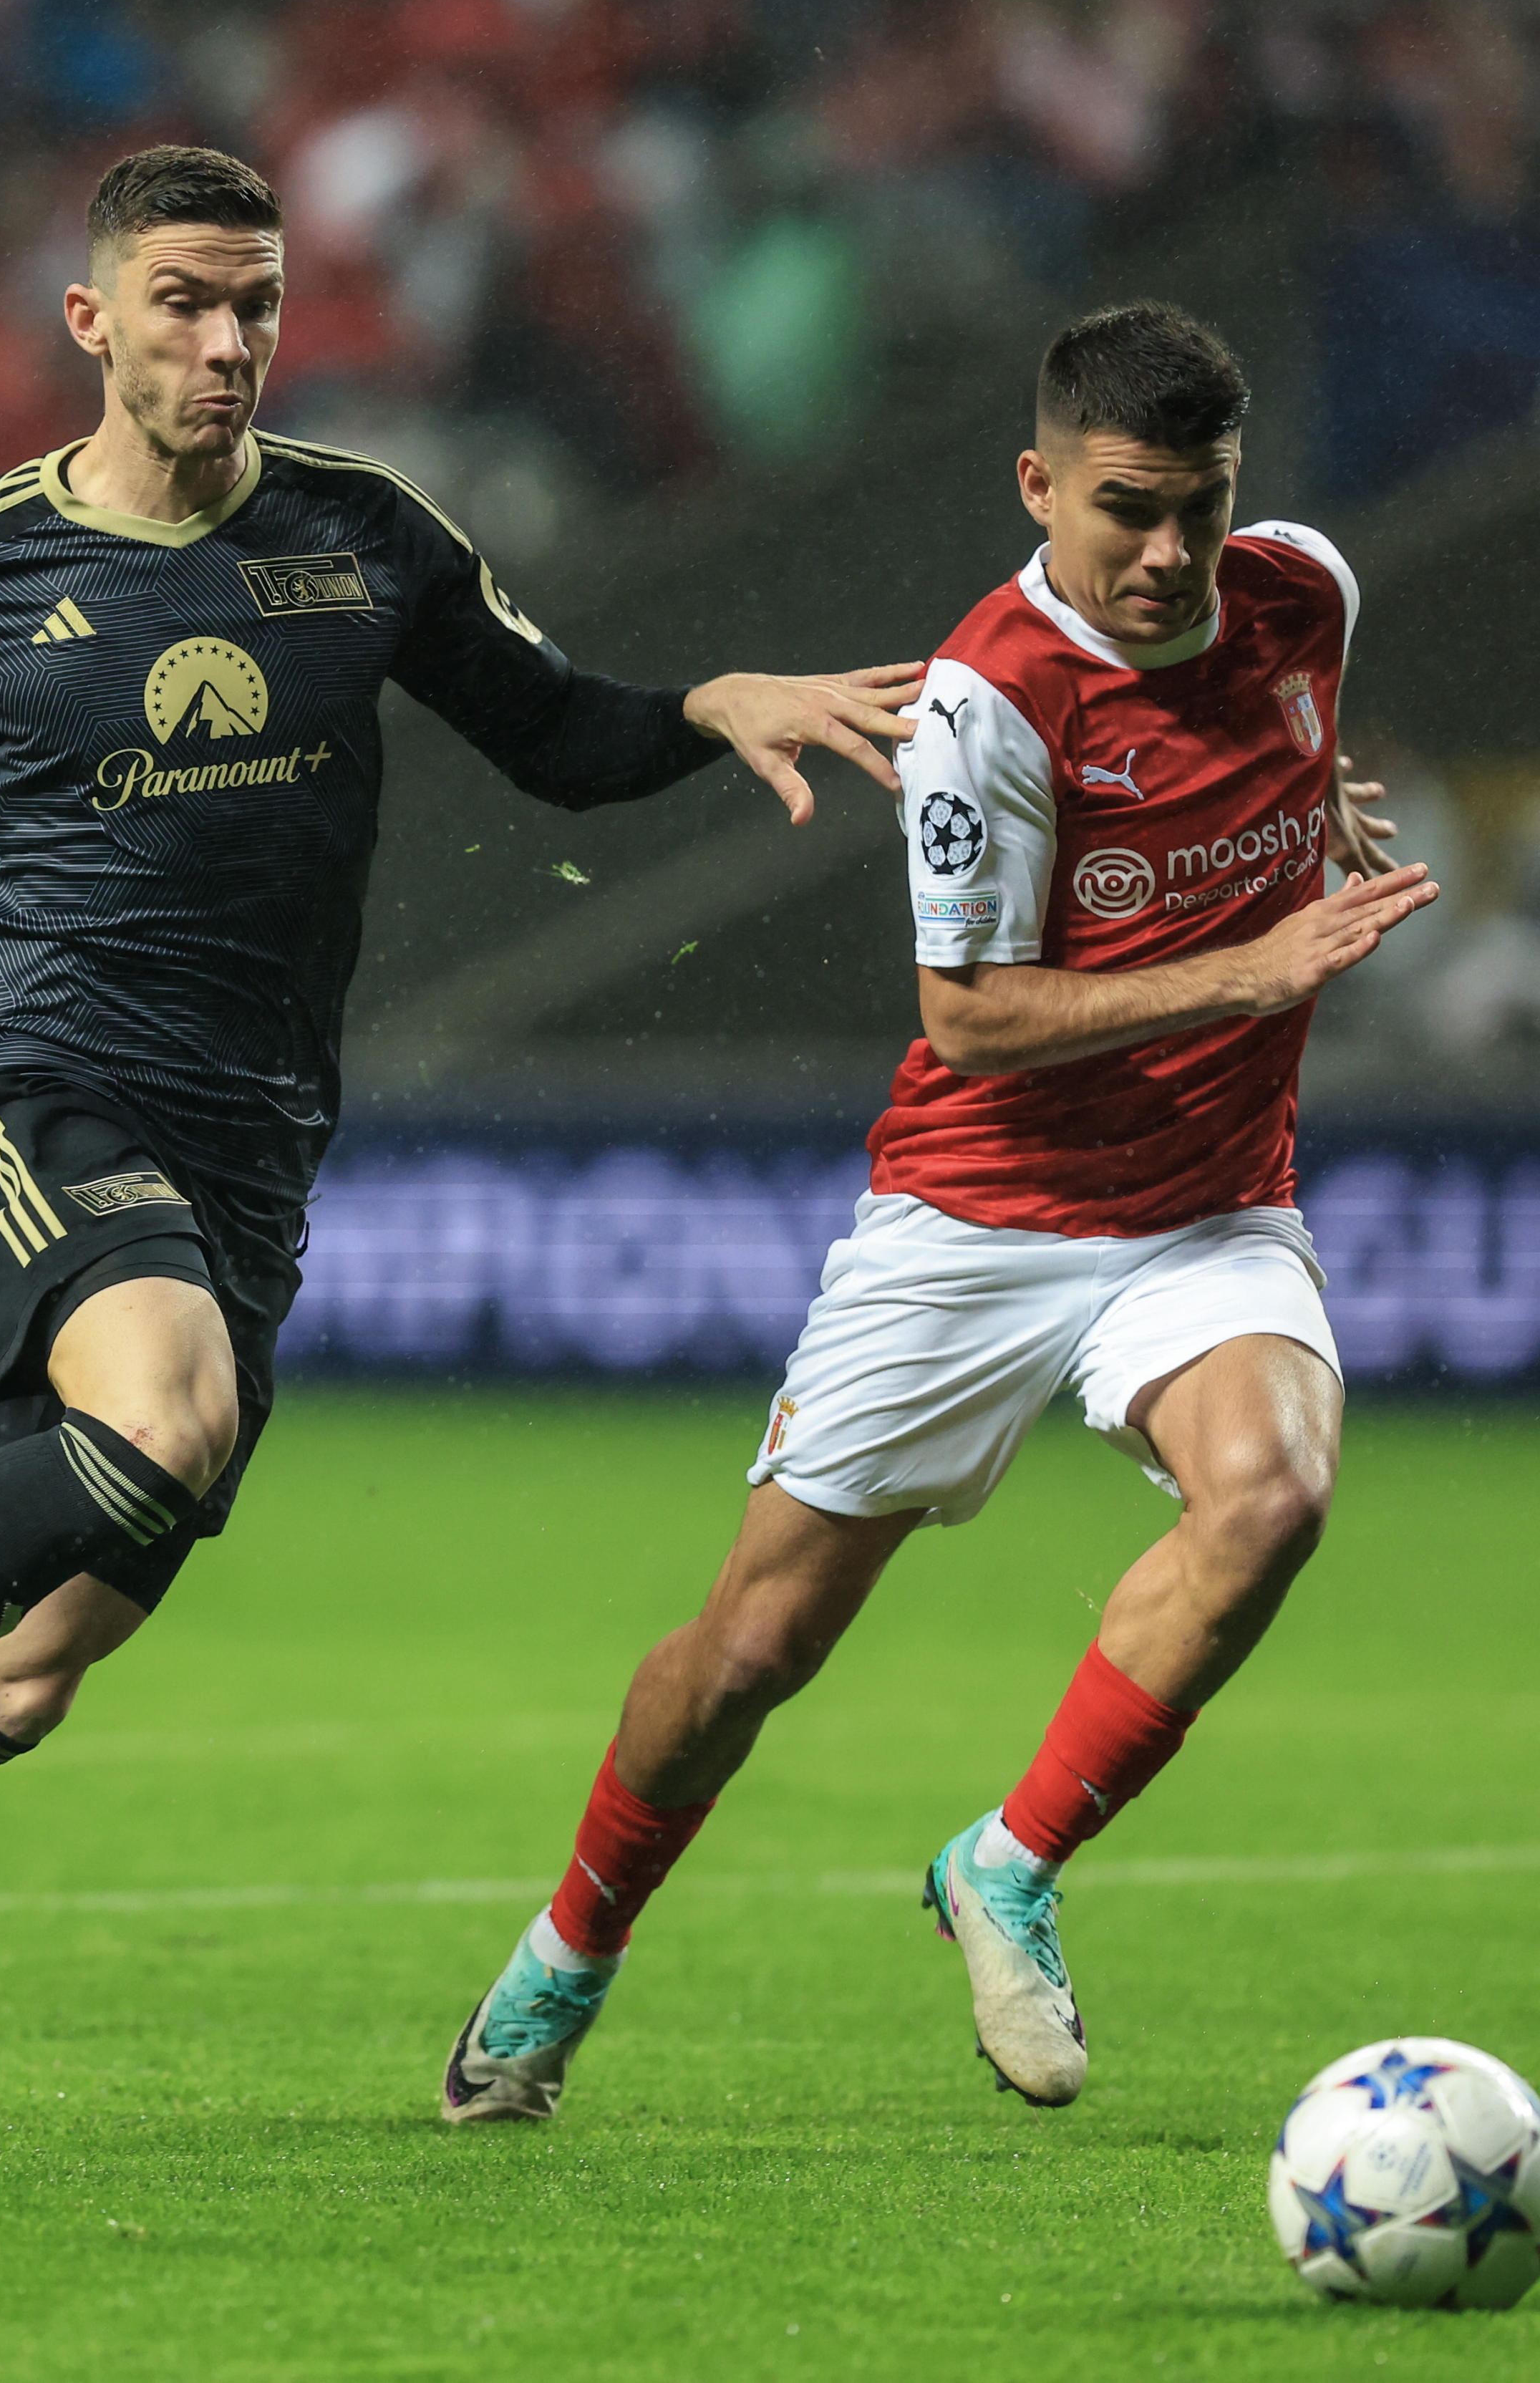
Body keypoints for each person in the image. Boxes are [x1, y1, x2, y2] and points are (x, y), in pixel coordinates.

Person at [0, 144, 923, 2131]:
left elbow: (554, 736)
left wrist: (709, 701)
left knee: (29, 1670)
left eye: (256, 300)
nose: (228, 339)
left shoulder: (366, 540)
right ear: (88, 321)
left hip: (254, 1148)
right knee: (162, 1413)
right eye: (183, 299)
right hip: (28, 1080)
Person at [436, 301, 1435, 2123]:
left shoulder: (1309, 595)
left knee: (1274, 1492)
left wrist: (1314, 817)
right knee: (751, 1650)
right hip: (976, 1215)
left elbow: (1271, 750)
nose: (1165, 553)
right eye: (1125, 508)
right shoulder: (987, 701)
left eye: (1199, 510)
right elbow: (967, 1018)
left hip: (1208, 1213)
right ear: (1037, 483)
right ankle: (567, 1949)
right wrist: (1250, 963)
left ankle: (1010, 1862)